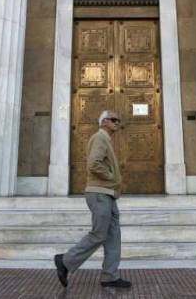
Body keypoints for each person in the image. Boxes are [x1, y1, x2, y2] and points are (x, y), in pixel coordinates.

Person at [53, 110, 131, 289]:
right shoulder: (99, 138)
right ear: (103, 122)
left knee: (113, 236)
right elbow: (94, 164)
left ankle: (110, 276)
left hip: (108, 194)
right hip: (99, 193)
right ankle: (65, 261)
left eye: (118, 120)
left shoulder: (106, 140)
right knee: (99, 234)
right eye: (113, 120)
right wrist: (112, 177)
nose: (117, 123)